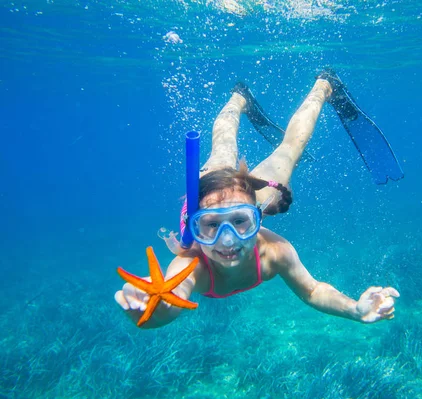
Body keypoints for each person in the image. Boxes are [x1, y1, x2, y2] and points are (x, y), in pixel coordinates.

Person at [114, 69, 401, 329]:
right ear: (194, 229)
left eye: (241, 222)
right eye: (211, 226)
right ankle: (239, 99)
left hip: (222, 185)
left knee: (287, 150)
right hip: (210, 188)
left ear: (259, 216)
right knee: (226, 146)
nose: (228, 240)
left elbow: (313, 290)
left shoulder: (274, 252)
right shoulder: (192, 265)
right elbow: (169, 299)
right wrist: (146, 306)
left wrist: (356, 309)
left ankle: (323, 86)